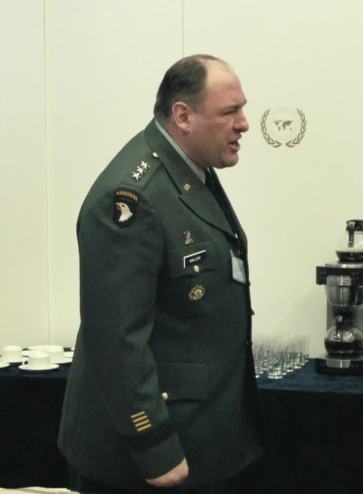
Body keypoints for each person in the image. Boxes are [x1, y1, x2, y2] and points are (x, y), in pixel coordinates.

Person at [58, 54, 266, 493]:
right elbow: (116, 339)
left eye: (242, 109)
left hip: (200, 435)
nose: (244, 124)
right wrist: (153, 444)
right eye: (230, 112)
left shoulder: (188, 171)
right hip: (143, 460)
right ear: (183, 116)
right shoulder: (131, 198)